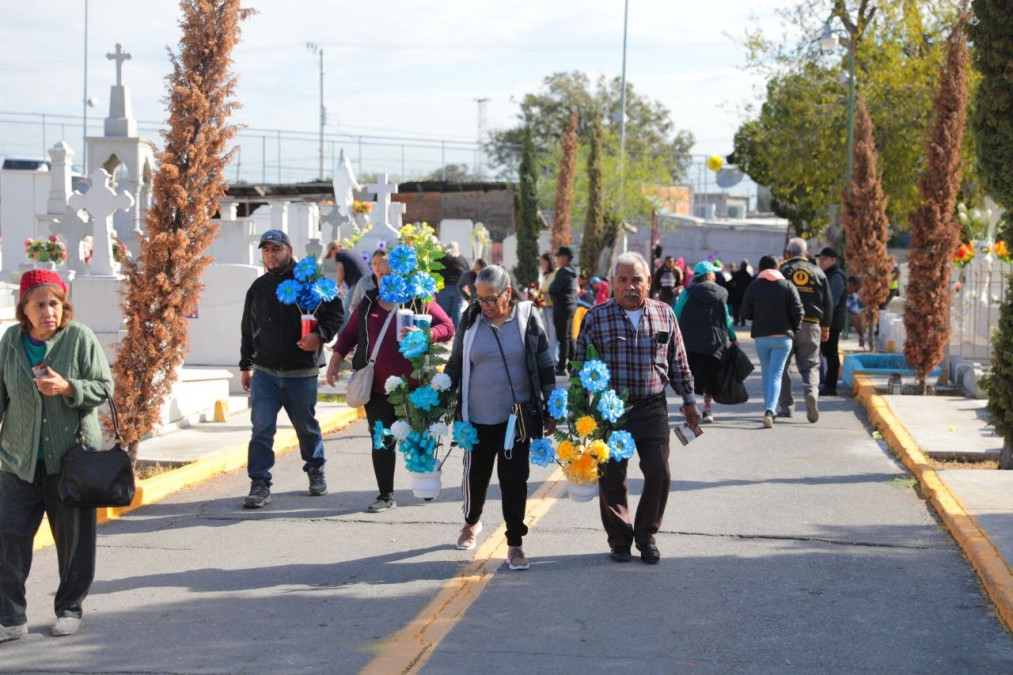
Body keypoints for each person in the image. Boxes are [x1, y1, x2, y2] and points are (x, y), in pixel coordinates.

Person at [0, 270, 114, 641]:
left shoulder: (79, 337)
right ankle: (11, 618)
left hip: (70, 461)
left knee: (74, 541)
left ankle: (69, 608)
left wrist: (68, 387)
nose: (49, 310)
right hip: (18, 460)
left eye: (55, 303)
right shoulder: (10, 341)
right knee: (9, 539)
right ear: (25, 309)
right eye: (40, 304)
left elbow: (104, 388)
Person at [575, 252, 699, 565]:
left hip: (653, 407)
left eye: (637, 280)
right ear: (612, 283)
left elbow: (679, 361)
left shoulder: (665, 314)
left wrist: (689, 401)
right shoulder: (595, 317)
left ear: (649, 282)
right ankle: (619, 539)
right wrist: (582, 412)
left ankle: (646, 536)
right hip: (611, 410)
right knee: (612, 475)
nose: (631, 286)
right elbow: (580, 366)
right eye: (624, 280)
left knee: (659, 470)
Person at [444, 265, 555, 571]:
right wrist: (440, 393)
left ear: (508, 293)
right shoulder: (470, 320)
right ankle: (471, 522)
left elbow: (544, 363)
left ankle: (515, 544)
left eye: (491, 299)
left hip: (515, 420)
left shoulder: (527, 318)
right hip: (477, 417)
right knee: (475, 477)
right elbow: (455, 364)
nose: (485, 306)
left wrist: (551, 407)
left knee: (514, 481)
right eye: (480, 299)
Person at [327, 260, 454, 513]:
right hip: (377, 389)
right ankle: (385, 495)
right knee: (381, 440)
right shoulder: (368, 303)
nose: (385, 279)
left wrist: (426, 334)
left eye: (390, 273)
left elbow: (448, 327)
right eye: (380, 274)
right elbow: (348, 334)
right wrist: (333, 363)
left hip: (416, 388)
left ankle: (425, 481)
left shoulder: (418, 301)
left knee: (420, 437)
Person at [239, 230, 345, 508]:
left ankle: (315, 468)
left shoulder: (311, 280)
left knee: (306, 427)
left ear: (289, 249)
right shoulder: (258, 287)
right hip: (265, 373)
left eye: (277, 249)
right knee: (261, 429)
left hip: (301, 373)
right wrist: (245, 365)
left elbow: (336, 313)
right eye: (266, 250)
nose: (271, 255)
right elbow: (248, 329)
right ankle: (259, 483)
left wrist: (319, 335)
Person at [740, 255, 804, 428]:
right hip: (783, 338)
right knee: (776, 374)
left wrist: (758, 316)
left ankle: (769, 408)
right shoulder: (788, 285)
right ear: (777, 268)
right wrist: (794, 329)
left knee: (767, 374)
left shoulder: (754, 286)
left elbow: (745, 311)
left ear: (760, 269)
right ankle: (770, 410)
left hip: (761, 337)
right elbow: (799, 311)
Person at [674, 261, 738, 424]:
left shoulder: (688, 291)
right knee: (710, 375)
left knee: (690, 374)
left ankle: (688, 405)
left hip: (690, 340)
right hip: (714, 341)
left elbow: (677, 313)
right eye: (713, 273)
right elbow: (726, 318)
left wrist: (672, 334)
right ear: (708, 275)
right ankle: (707, 410)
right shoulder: (722, 293)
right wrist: (732, 337)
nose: (715, 276)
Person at [778, 237, 832, 423]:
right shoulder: (818, 271)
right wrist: (825, 327)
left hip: (785, 325)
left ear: (788, 253)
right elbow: (827, 302)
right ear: (806, 253)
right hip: (811, 324)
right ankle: (811, 394)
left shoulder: (782, 269)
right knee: (810, 365)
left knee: (784, 365)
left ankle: (785, 406)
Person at [816, 247, 847, 396]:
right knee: (826, 352)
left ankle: (830, 386)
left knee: (830, 353)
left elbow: (831, 301)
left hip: (832, 322)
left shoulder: (837, 277)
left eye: (824, 259)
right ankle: (826, 383)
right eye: (820, 259)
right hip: (827, 320)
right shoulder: (828, 274)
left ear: (834, 260)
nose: (821, 262)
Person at [548, 246, 578, 376]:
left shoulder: (563, 272)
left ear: (565, 257)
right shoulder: (572, 271)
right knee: (569, 337)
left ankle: (562, 366)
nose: (558, 259)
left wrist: (553, 296)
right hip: (569, 306)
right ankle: (572, 364)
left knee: (563, 337)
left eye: (559, 257)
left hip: (562, 307)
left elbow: (553, 288)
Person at [436, 242, 469, 328]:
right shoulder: (462, 259)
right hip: (458, 288)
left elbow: (434, 270)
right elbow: (467, 272)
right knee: (456, 312)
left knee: (443, 313)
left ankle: (444, 332)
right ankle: (458, 334)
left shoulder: (442, 257)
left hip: (444, 287)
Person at [346, 248, 387, 316]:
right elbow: (353, 306)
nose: (377, 266)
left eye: (380, 263)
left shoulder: (394, 283)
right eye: (374, 263)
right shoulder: (364, 282)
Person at [538, 253, 558, 367]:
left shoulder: (556, 273)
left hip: (553, 307)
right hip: (545, 307)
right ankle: (549, 358)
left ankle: (554, 359)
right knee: (546, 333)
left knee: (553, 333)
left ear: (549, 262)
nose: (541, 264)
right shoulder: (545, 275)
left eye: (543, 262)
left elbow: (551, 289)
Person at [728, 258, 754, 327]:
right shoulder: (748, 275)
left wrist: (733, 290)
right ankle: (743, 321)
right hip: (744, 294)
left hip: (737, 294)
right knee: (743, 307)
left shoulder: (737, 274)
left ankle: (736, 320)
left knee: (736, 308)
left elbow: (731, 283)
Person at [846, 275, 866, 348]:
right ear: (850, 284)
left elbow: (855, 316)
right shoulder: (838, 289)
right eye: (856, 288)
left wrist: (861, 336)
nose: (857, 291)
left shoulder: (851, 297)